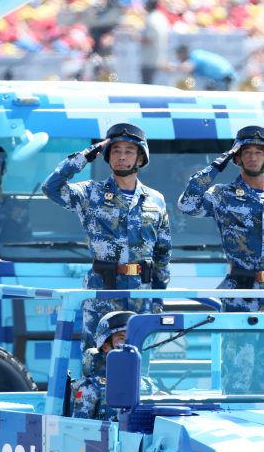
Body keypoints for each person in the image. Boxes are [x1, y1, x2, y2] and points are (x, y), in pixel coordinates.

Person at [41, 123, 171, 349]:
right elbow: (51, 187)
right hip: (102, 292)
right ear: (108, 156)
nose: (122, 157)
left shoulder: (155, 199)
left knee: (139, 360)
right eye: (116, 151)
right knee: (96, 359)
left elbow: (162, 254)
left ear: (140, 158)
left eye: (129, 151)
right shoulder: (90, 193)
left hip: (142, 295)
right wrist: (88, 153)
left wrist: (158, 301)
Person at [178, 125, 264, 313]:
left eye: (259, 152)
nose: (253, 157)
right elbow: (187, 205)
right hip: (239, 296)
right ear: (237, 158)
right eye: (247, 152)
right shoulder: (222, 195)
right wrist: (217, 165)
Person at [74, 310, 135, 420]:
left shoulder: (147, 385)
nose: (128, 344)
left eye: (131, 338)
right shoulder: (91, 388)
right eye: (121, 338)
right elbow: (78, 428)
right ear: (106, 346)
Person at [171, 45, 236, 91]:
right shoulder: (196, 55)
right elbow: (190, 78)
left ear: (183, 53)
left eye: (178, 55)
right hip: (221, 79)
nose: (178, 58)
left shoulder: (196, 55)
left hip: (225, 78)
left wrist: (173, 67)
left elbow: (187, 68)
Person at [139, 0, 169, 85]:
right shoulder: (161, 17)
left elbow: (149, 40)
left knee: (147, 87)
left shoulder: (151, 19)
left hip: (150, 59)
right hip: (161, 58)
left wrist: (136, 38)